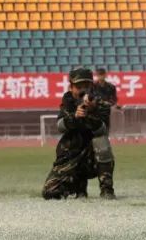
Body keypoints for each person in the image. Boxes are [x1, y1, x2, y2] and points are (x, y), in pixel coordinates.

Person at [42, 68, 115, 200]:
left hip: (92, 155)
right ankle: (78, 188)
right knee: (50, 192)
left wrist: (92, 113)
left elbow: (102, 130)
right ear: (71, 87)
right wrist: (75, 117)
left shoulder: (101, 104)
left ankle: (107, 190)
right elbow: (60, 126)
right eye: (78, 86)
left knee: (101, 141)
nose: (82, 90)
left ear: (92, 86)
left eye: (86, 86)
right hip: (71, 154)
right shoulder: (68, 101)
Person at [92, 67, 120, 199]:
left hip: (104, 116)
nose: (100, 77)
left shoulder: (110, 87)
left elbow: (114, 100)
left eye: (102, 74)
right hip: (93, 116)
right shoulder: (92, 86)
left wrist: (108, 104)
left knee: (104, 139)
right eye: (99, 75)